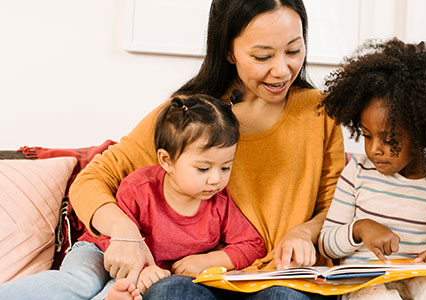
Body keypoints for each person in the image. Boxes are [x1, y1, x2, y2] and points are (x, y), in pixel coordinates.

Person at [68, 0, 345, 299]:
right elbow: (90, 181)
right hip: (200, 281)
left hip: (282, 280)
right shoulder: (191, 116)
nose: (281, 70)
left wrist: (304, 232)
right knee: (170, 292)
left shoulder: (321, 112)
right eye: (262, 56)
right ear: (228, 51)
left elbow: (336, 207)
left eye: (293, 50)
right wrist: (126, 233)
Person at [0, 95, 266, 300]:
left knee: (125, 292)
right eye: (203, 168)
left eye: (226, 167)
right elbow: (120, 244)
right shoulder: (141, 187)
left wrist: (208, 261)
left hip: (146, 277)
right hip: (100, 251)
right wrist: (140, 270)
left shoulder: (219, 203)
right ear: (167, 160)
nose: (215, 179)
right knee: (82, 282)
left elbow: (252, 244)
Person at [317, 39, 426, 300]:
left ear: (423, 135)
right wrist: (360, 228)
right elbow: (327, 243)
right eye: (367, 136)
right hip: (366, 281)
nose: (374, 150)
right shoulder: (356, 172)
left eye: (389, 140)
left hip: (419, 277)